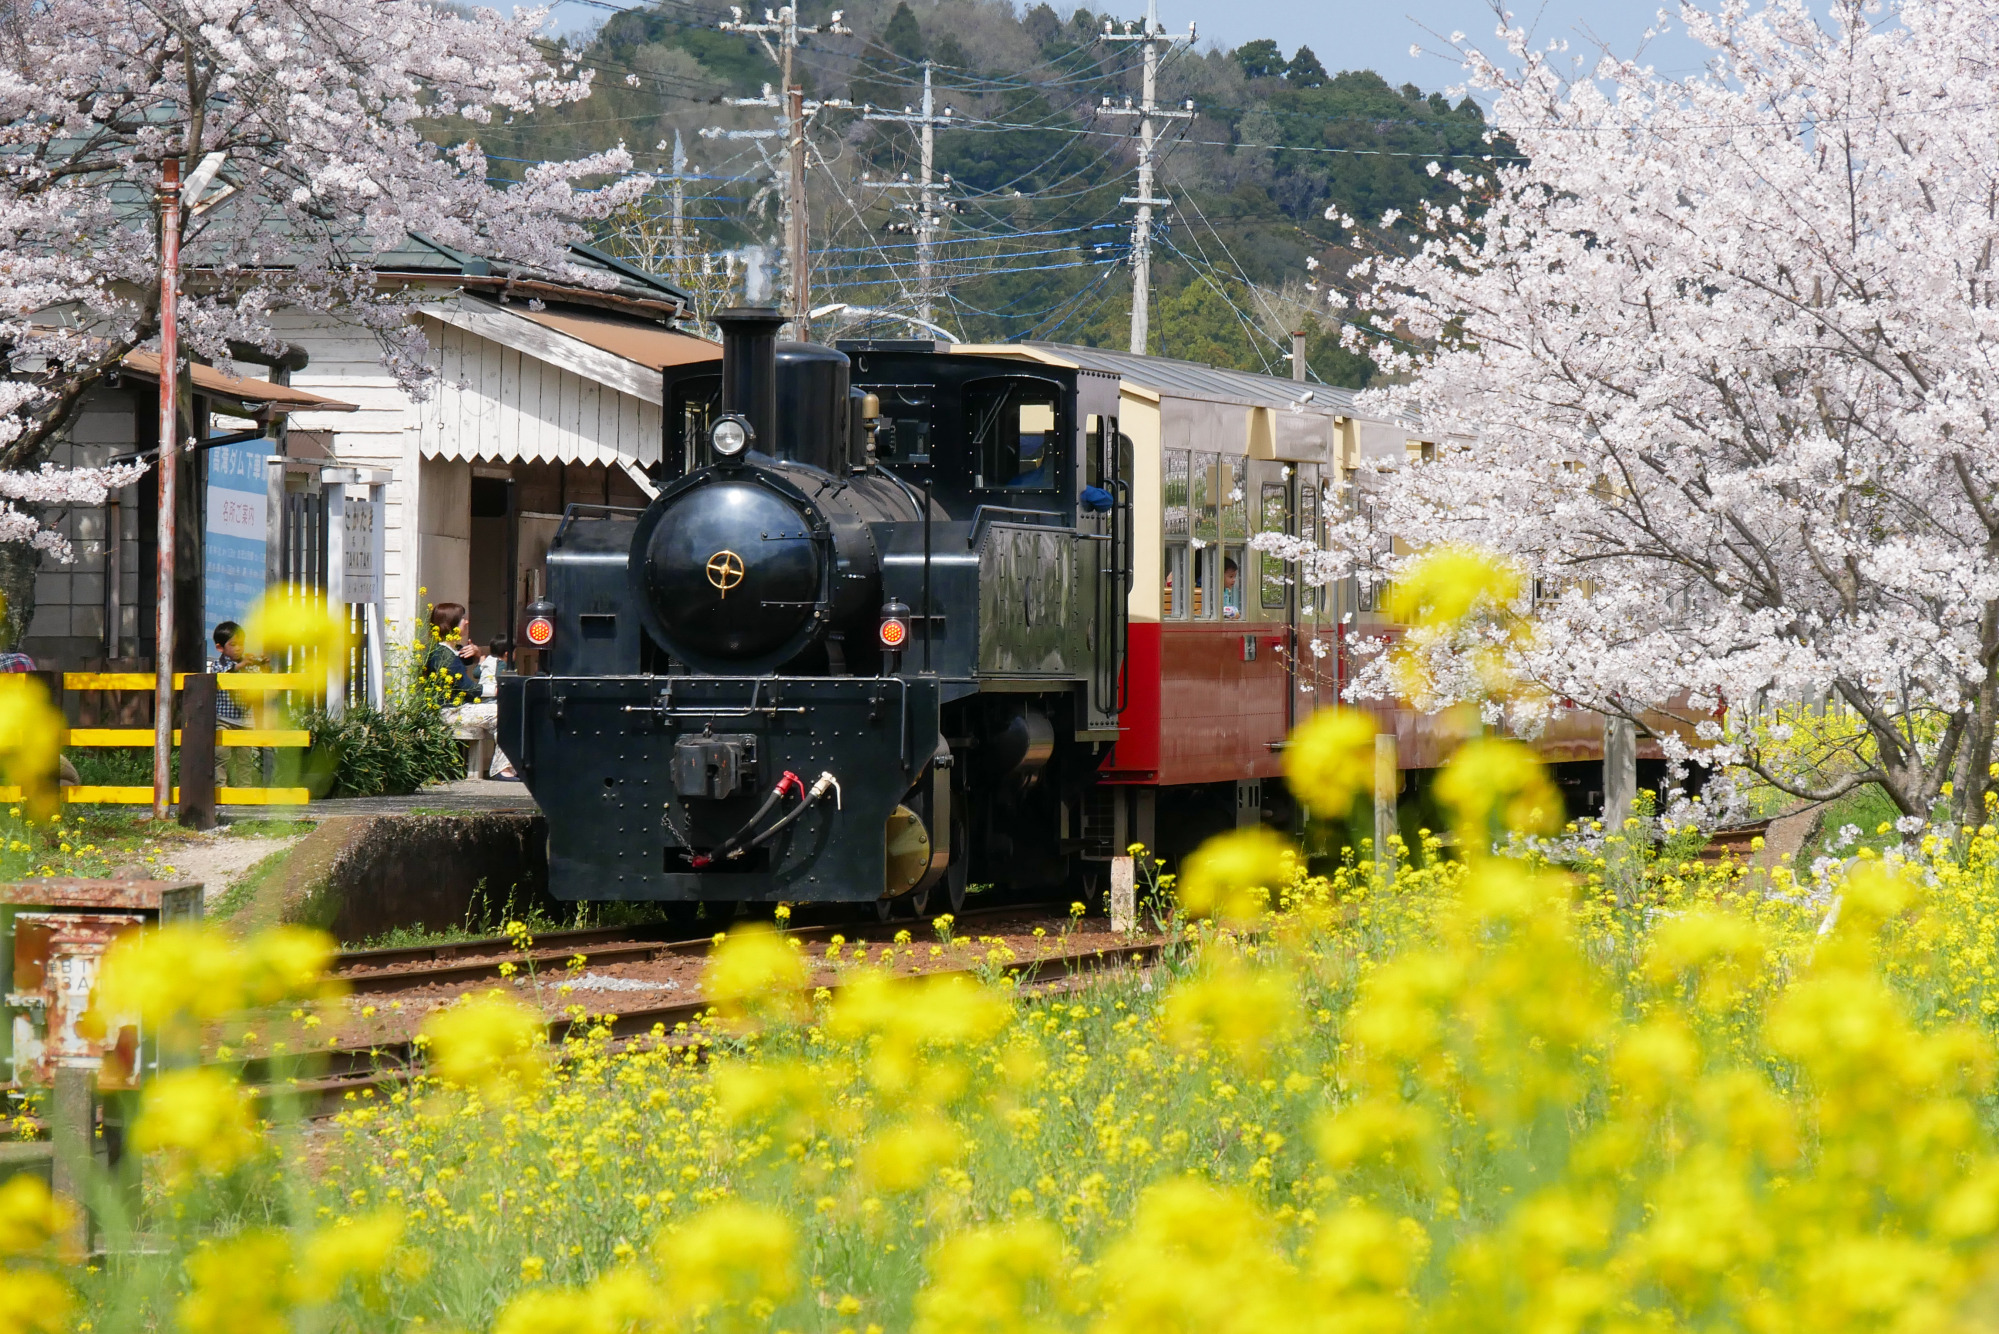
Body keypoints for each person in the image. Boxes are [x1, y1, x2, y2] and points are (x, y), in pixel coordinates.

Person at [212, 621, 263, 787]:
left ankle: (244, 789)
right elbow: (224, 676)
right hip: (223, 719)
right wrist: (241, 666)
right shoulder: (217, 664)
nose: (238, 648)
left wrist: (263, 666)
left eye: (241, 644)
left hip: (245, 720)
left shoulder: (248, 665)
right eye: (233, 644)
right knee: (221, 755)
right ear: (220, 648)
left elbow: (259, 685)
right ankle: (220, 787)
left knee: (245, 758)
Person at [424, 604, 484, 704]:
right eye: (462, 618)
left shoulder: (453, 649)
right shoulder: (442, 654)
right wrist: (496, 689)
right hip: (448, 708)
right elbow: (467, 687)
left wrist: (477, 651)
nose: (467, 622)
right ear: (451, 623)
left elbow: (469, 659)